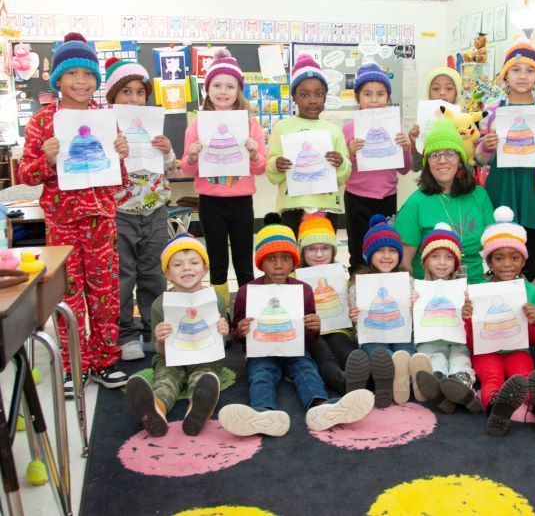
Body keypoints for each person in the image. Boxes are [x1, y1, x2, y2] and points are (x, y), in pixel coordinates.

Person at [18, 32, 129, 396]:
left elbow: (119, 181)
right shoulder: (43, 121)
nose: (82, 81)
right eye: (73, 73)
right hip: (63, 223)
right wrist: (47, 159)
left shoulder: (104, 118)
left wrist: (120, 155)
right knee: (67, 296)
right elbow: (27, 176)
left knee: (105, 294)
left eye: (89, 74)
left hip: (102, 221)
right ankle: (72, 365)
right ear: (59, 79)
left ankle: (104, 359)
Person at [218, 219, 374, 436]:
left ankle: (321, 407)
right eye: (271, 259)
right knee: (260, 373)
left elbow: (309, 340)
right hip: (261, 351)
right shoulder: (247, 292)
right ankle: (263, 413)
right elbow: (236, 334)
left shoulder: (304, 290)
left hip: (295, 349)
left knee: (307, 369)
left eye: (285, 258)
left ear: (294, 262)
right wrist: (241, 331)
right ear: (261, 263)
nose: (279, 265)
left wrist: (313, 328)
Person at [181, 49, 266, 308]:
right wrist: (193, 156)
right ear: (207, 89)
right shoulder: (196, 125)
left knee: (243, 262)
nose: (223, 91)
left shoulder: (251, 125)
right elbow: (186, 168)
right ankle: (220, 313)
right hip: (210, 202)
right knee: (217, 262)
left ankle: (245, 311)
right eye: (216, 85)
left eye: (230, 86)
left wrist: (253, 153)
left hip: (241, 202)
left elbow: (261, 168)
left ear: (238, 90)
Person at [475, 37, 535, 282]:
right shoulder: (492, 111)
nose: (522, 76)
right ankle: (497, 290)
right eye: (515, 70)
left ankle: (529, 295)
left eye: (529, 71)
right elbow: (479, 159)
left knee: (529, 244)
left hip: (533, 188)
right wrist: (486, 146)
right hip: (502, 185)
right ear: (506, 75)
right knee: (498, 240)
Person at [106, 56, 176, 361]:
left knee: (154, 274)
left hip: (155, 209)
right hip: (121, 212)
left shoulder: (153, 126)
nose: (134, 98)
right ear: (113, 97)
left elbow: (170, 169)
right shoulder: (105, 127)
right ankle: (126, 333)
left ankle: (153, 330)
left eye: (139, 91)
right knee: (124, 275)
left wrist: (168, 150)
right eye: (126, 91)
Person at [465, 207, 535, 436]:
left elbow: (534, 339)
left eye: (514, 258)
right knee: (492, 376)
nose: (507, 264)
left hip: (518, 349)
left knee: (524, 374)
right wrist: (467, 318)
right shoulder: (478, 292)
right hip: (486, 351)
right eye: (499, 258)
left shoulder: (529, 291)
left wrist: (534, 321)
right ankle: (497, 408)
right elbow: (470, 341)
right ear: (489, 261)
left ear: (523, 260)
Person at [126, 234, 227, 437]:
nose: (187, 268)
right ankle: (154, 411)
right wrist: (161, 339)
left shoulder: (215, 299)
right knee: (165, 380)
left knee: (204, 382)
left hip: (205, 356)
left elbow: (219, 344)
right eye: (178, 265)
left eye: (194, 262)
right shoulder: (160, 304)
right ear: (168, 274)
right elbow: (161, 352)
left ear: (205, 268)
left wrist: (224, 332)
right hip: (171, 358)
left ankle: (196, 413)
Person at [395, 118, 494, 285]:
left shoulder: (479, 195)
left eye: (450, 153)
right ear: (427, 163)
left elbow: (495, 248)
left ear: (461, 161)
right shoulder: (415, 203)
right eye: (435, 155)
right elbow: (404, 264)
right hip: (433, 290)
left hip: (476, 286)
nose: (442, 161)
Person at [348, 216, 429, 408]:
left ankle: (402, 381)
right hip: (372, 334)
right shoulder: (357, 285)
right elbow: (354, 319)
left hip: (400, 330)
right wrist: (353, 317)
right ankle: (398, 382)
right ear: (369, 255)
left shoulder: (407, 280)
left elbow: (416, 314)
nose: (386, 256)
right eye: (380, 251)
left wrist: (415, 304)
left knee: (406, 353)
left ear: (399, 255)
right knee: (379, 355)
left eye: (392, 251)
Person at [266, 54, 351, 235]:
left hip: (326, 206)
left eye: (319, 94)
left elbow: (345, 174)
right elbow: (272, 173)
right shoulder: (282, 129)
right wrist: (276, 165)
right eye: (304, 95)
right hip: (292, 207)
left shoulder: (333, 131)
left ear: (325, 96)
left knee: (323, 257)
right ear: (294, 97)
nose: (312, 100)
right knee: (294, 256)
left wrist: (341, 162)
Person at [343, 63, 412, 273]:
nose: (374, 100)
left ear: (388, 98)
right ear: (358, 98)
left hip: (387, 197)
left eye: (381, 94)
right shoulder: (348, 129)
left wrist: (406, 148)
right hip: (356, 198)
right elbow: (341, 172)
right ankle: (357, 282)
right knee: (357, 248)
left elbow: (405, 170)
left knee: (385, 247)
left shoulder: (395, 128)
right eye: (367, 94)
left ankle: (385, 283)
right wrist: (350, 154)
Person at [413, 223, 481, 414]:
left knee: (461, 357)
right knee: (434, 357)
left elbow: (471, 325)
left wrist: (468, 311)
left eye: (449, 257)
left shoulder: (463, 290)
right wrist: (412, 304)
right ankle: (439, 384)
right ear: (425, 260)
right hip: (430, 340)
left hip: (456, 338)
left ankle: (459, 385)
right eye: (435, 256)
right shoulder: (417, 289)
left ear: (456, 262)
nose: (442, 262)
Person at [296, 212, 365, 396]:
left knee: (346, 350)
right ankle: (343, 382)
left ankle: (367, 376)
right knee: (324, 356)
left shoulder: (339, 274)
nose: (319, 254)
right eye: (312, 249)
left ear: (333, 250)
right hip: (311, 332)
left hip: (337, 327)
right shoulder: (293, 278)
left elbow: (348, 305)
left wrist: (352, 312)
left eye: (325, 248)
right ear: (302, 251)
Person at [409, 66, 463, 170]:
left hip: (458, 183)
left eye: (449, 88)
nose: (442, 92)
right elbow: (416, 167)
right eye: (436, 88)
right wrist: (414, 145)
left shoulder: (464, 120)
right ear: (429, 93)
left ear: (456, 93)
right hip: (430, 183)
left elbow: (470, 166)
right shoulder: (425, 120)